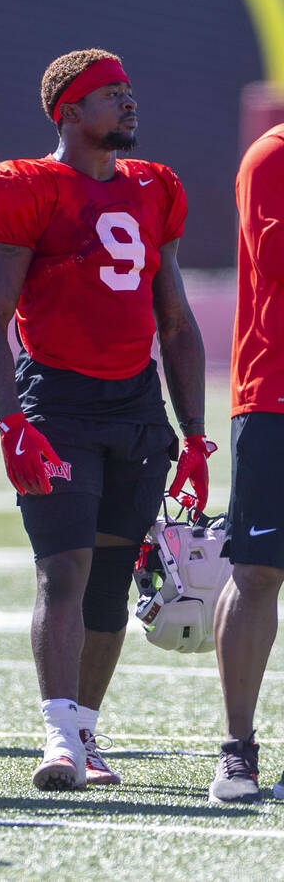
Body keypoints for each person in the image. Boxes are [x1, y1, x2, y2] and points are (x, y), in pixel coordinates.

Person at [0, 48, 211, 791]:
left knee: (108, 583)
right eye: (112, 94)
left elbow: (174, 320)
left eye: (131, 91)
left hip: (134, 403)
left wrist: (195, 431)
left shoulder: (152, 188)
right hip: (59, 400)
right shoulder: (25, 187)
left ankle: (86, 732)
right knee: (62, 569)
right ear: (69, 111)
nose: (130, 102)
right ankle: (59, 734)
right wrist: (12, 420)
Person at [208, 122, 284, 803]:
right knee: (257, 570)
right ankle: (238, 749)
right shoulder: (273, 154)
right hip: (274, 395)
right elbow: (276, 256)